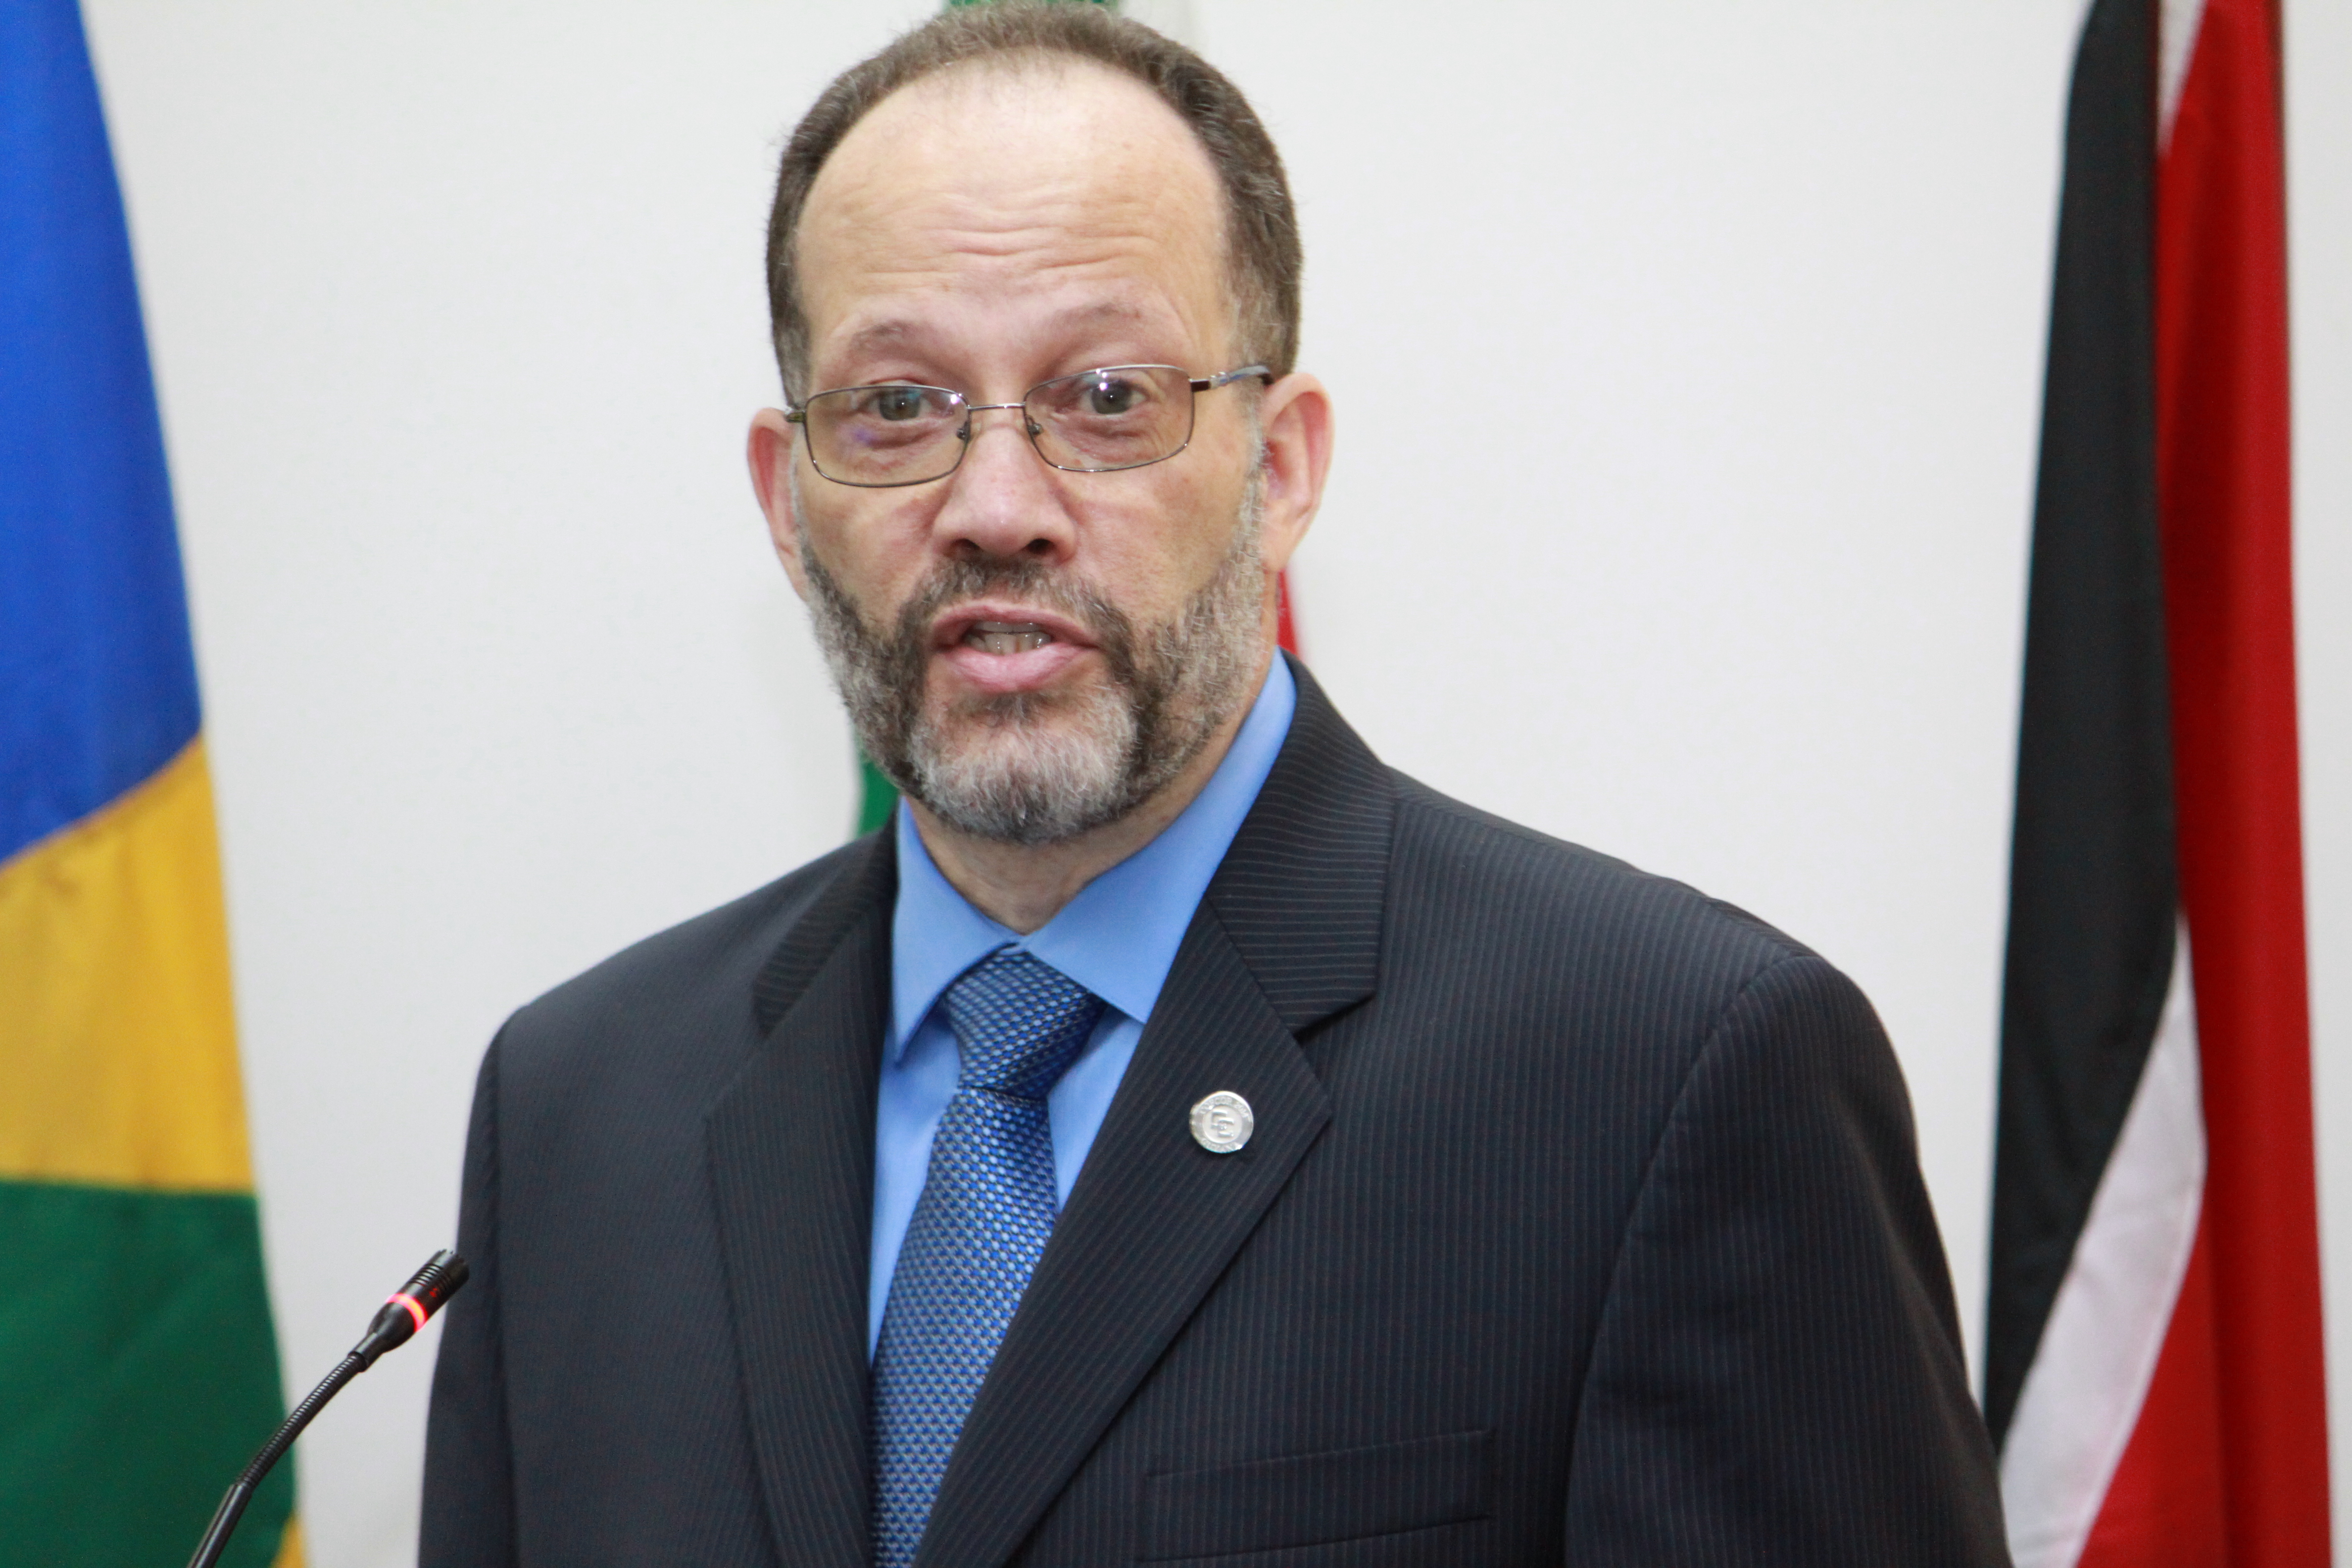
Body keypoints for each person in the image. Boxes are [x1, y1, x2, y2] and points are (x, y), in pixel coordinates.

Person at [421, 6, 2009, 1565]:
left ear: (1283, 468)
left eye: (1109, 396)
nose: (995, 506)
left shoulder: (1670, 1077)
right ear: (787, 501)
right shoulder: (576, 1110)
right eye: (898, 407)